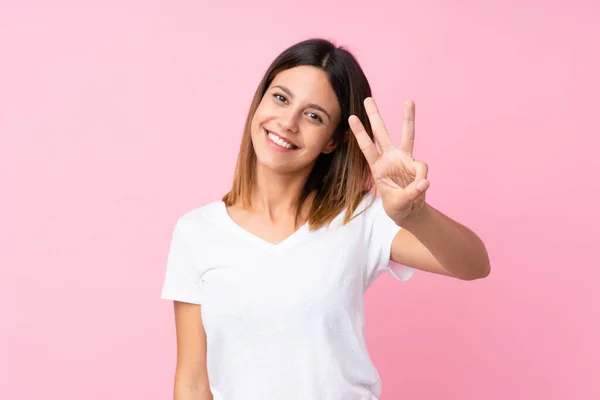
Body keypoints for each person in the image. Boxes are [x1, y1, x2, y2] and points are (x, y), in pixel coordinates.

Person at [160, 38, 490, 400]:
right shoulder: (197, 232)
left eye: (313, 115)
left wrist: (417, 214)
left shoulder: (360, 217)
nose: (287, 122)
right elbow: (192, 382)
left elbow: (474, 264)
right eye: (281, 98)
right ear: (259, 100)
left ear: (332, 141)